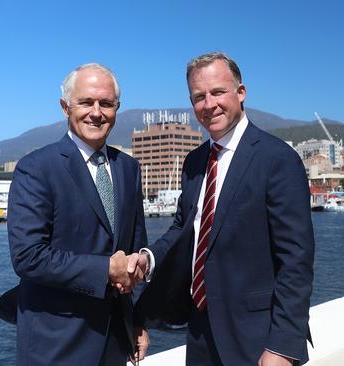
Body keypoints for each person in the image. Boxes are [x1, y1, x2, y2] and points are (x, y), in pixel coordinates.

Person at [134, 52, 315, 365]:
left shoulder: (277, 159)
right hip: (200, 329)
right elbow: (184, 227)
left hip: (257, 336)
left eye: (218, 92)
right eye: (198, 97)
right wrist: (148, 259)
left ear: (241, 93)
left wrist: (282, 346)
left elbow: (296, 259)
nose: (209, 104)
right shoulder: (193, 162)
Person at [6, 63, 149, 366]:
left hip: (116, 342)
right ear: (65, 107)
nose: (96, 112)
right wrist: (105, 270)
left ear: (116, 108)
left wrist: (137, 321)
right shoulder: (36, 169)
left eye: (106, 104)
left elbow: (135, 251)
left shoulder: (129, 169)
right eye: (86, 102)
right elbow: (28, 256)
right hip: (56, 345)